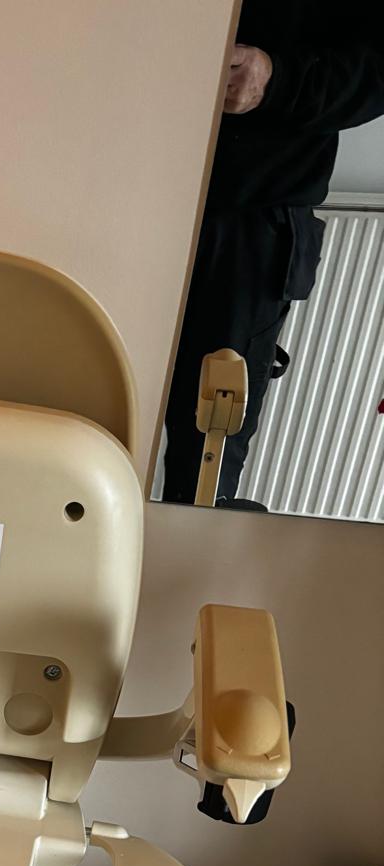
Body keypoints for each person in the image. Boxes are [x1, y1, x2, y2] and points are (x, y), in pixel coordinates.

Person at [161, 2, 384, 505]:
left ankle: (181, 576)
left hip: (250, 215)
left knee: (208, 449)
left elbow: (376, 69)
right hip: (105, 186)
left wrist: (276, 80)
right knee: (81, 410)